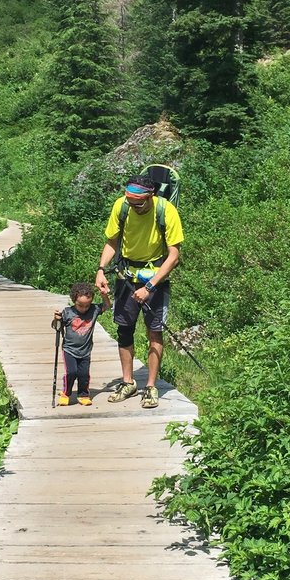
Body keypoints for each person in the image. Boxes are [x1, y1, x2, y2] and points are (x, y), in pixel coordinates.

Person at [95, 175, 184, 409]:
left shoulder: (167, 211)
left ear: (151, 196)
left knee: (155, 332)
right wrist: (101, 270)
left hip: (155, 278)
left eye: (139, 203)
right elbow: (112, 242)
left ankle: (151, 386)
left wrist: (150, 286)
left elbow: (174, 255)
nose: (134, 207)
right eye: (130, 202)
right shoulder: (121, 206)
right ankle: (128, 382)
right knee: (124, 330)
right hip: (126, 276)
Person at [53, 282, 111, 406]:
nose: (84, 308)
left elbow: (107, 306)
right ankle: (66, 393)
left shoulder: (94, 310)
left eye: (87, 305)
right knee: (71, 372)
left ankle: (83, 394)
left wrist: (104, 295)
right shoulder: (68, 312)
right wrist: (57, 319)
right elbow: (56, 327)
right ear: (74, 300)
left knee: (84, 374)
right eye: (80, 305)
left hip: (86, 350)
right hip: (69, 350)